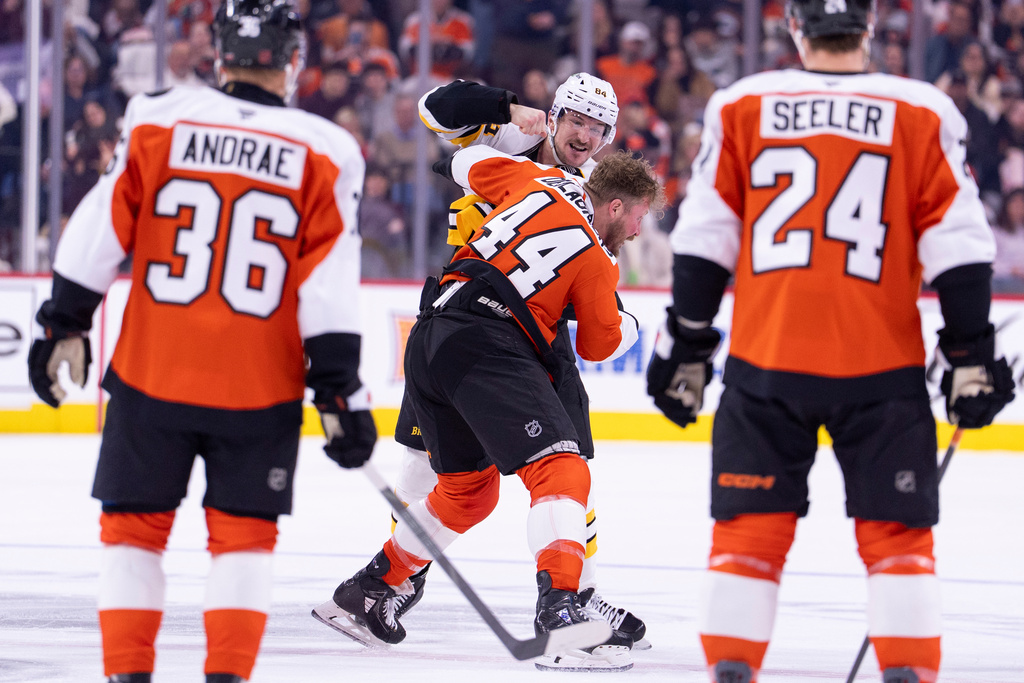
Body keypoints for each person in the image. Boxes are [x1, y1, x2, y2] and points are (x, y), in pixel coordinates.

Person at [646, 2, 1015, 683]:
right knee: (899, 541)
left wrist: (688, 345)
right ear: (870, 28)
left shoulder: (744, 104)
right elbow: (958, 245)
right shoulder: (921, 109)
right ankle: (906, 669)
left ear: (794, 27)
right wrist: (971, 353)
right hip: (882, 365)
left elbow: (705, 237)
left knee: (748, 535)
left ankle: (733, 667)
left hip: (766, 360)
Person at [26, 1, 377, 681]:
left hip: (152, 369)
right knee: (243, 540)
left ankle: (129, 674)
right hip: (259, 383)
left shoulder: (157, 117)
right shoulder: (328, 149)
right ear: (292, 60)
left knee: (132, 531)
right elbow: (328, 283)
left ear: (219, 54)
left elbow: (100, 229)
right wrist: (338, 384)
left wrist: (64, 320)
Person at [319, 72, 650, 649]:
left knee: (545, 469)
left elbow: (460, 166)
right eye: (575, 119)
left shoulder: (540, 176)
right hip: (487, 327)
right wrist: (506, 107)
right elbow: (433, 109)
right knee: (442, 468)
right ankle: (422, 581)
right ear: (553, 116)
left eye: (598, 129)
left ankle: (572, 590)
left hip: (489, 330)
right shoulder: (512, 145)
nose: (584, 135)